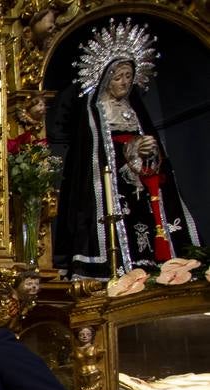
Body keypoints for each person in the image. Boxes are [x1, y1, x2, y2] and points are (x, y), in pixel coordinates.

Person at [55, 18, 200, 279]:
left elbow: (152, 150)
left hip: (142, 183)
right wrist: (132, 150)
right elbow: (93, 156)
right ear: (106, 79)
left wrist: (150, 150)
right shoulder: (95, 112)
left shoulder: (135, 111)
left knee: (149, 218)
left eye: (129, 76)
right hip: (112, 185)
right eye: (118, 77)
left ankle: (162, 265)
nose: (124, 82)